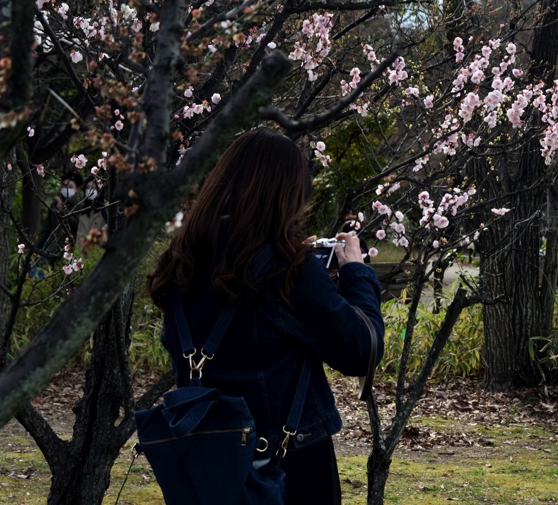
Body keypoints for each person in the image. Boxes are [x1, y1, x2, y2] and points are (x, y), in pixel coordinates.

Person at [147, 129, 383, 505]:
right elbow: (361, 349)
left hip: (208, 466)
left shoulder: (181, 262)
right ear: (285, 198)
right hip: (289, 465)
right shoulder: (286, 271)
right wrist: (356, 271)